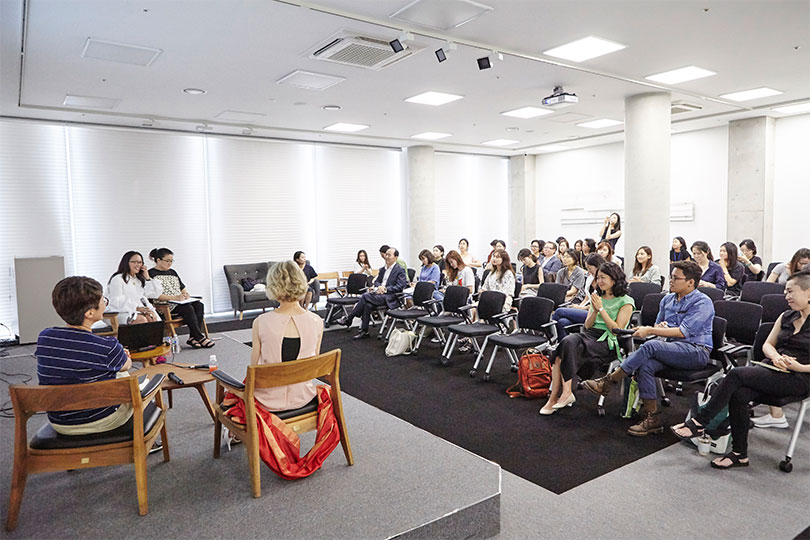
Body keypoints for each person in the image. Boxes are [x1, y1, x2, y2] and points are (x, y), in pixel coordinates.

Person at [670, 271, 810, 469]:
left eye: (790, 292)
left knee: (736, 374)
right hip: (774, 369)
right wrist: (776, 356)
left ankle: (700, 421)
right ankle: (739, 454)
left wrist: (800, 366)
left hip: (800, 378)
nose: (786, 296)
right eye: (785, 292)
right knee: (740, 395)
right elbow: (767, 345)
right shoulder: (786, 316)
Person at [583, 261, 715, 436]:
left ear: (690, 282)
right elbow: (660, 326)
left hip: (696, 351)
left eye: (676, 278)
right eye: (671, 277)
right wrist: (657, 327)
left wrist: (651, 330)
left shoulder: (702, 302)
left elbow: (684, 332)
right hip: (670, 349)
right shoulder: (667, 299)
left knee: (650, 346)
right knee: (646, 365)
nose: (671, 281)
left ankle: (609, 381)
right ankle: (653, 418)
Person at [36, 276, 133, 435]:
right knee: (127, 377)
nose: (105, 304)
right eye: (103, 301)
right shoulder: (108, 346)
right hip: (100, 419)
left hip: (59, 422)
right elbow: (127, 364)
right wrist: (121, 356)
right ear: (89, 313)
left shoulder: (45, 337)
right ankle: (142, 438)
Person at [541, 262, 634, 415]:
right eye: (598, 278)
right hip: (590, 335)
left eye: (603, 278)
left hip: (607, 340)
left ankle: (561, 396)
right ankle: (558, 396)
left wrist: (601, 309)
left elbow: (616, 329)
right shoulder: (598, 297)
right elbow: (588, 325)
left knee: (562, 352)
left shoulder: (626, 301)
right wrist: (595, 311)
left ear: (614, 279)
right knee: (566, 342)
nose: (599, 281)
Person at [236, 260, 322, 413]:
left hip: (267, 400)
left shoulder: (261, 322)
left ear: (273, 285)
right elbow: (313, 362)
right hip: (304, 397)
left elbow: (254, 369)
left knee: (231, 398)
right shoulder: (317, 321)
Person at [336, 247, 408, 339]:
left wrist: (385, 289)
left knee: (366, 296)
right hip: (379, 294)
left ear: (396, 257)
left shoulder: (399, 270)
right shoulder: (382, 269)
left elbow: (400, 286)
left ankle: (349, 319)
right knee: (367, 304)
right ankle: (364, 331)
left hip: (391, 296)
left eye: (389, 255)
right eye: (386, 254)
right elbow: (377, 281)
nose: (386, 257)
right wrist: (378, 287)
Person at [148, 247, 213, 349]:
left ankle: (193, 337)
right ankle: (199, 337)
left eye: (171, 261)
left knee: (199, 305)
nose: (170, 263)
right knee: (188, 308)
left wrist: (186, 294)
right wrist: (175, 298)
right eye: (167, 261)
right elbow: (154, 295)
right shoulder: (151, 274)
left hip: (179, 302)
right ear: (158, 260)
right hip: (165, 306)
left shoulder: (172, 272)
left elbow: (182, 288)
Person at [551, 254, 606, 339]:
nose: (588, 271)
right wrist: (579, 306)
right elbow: (587, 298)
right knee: (563, 322)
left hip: (594, 313)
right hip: (586, 309)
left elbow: (599, 305)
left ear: (598, 266)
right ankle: (563, 348)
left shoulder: (604, 282)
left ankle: (547, 335)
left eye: (590, 268)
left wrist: (580, 308)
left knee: (559, 311)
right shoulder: (590, 278)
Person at [107, 250, 162, 324]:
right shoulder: (118, 279)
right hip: (118, 312)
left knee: (152, 318)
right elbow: (116, 302)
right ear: (126, 263)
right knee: (142, 320)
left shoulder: (138, 280)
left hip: (137, 311)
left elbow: (154, 294)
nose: (137, 265)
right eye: (134, 262)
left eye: (139, 262)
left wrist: (147, 278)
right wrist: (136, 308)